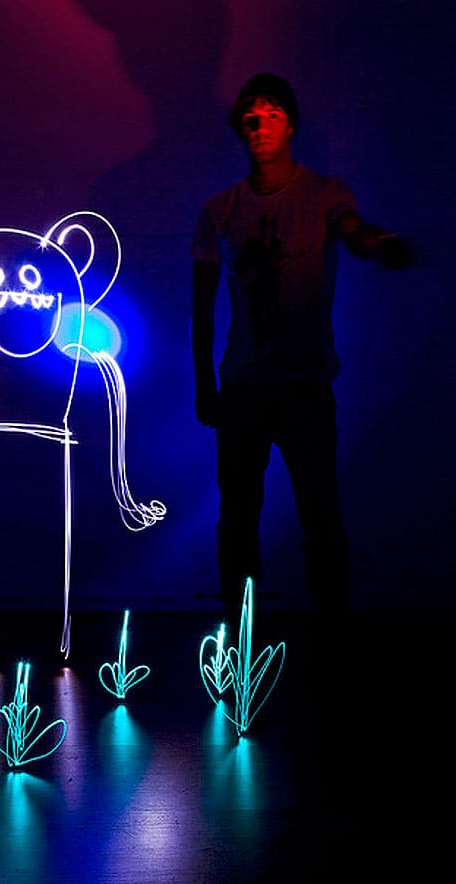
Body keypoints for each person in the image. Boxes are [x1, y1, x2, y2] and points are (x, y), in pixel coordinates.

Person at [190, 73, 413, 635]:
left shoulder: (324, 194)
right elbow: (201, 304)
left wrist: (378, 243)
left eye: (270, 114)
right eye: (250, 116)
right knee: (239, 521)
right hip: (244, 388)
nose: (259, 125)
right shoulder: (220, 210)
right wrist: (206, 384)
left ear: (290, 123)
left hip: (304, 386)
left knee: (319, 517)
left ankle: (330, 638)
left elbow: (353, 230)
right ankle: (242, 639)